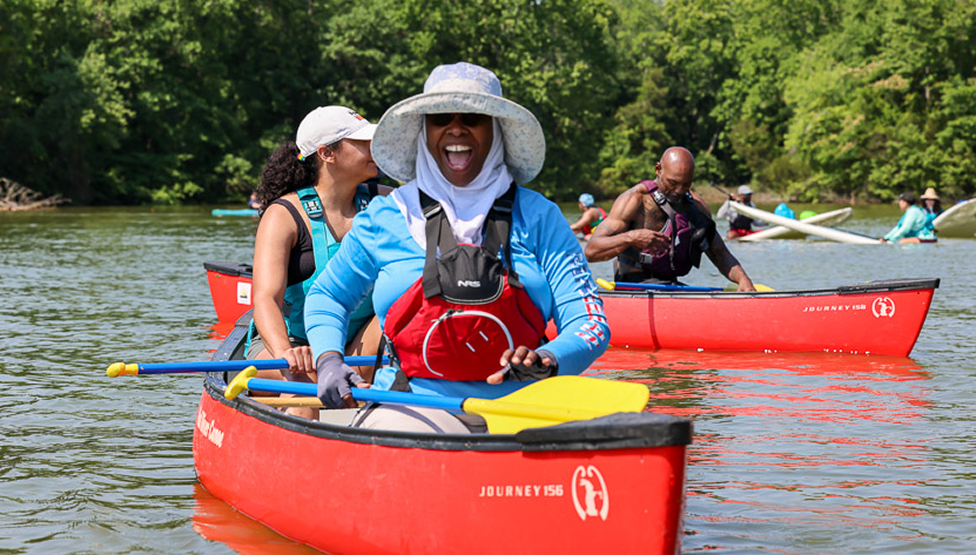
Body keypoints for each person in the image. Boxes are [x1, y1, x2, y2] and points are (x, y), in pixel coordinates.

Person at [304, 62, 610, 433]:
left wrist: (549, 357)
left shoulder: (540, 216)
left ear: (496, 130)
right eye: (440, 117)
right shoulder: (385, 215)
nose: (456, 128)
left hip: (526, 406)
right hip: (412, 406)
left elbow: (589, 322)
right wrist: (329, 360)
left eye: (473, 117)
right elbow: (327, 296)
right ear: (425, 131)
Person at [247, 105, 389, 416]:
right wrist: (287, 354)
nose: (374, 149)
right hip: (294, 349)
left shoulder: (389, 202)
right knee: (305, 390)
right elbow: (266, 299)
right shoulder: (283, 215)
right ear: (327, 154)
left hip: (360, 346)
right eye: (363, 142)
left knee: (396, 309)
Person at [584, 147, 756, 291]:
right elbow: (591, 251)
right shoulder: (634, 200)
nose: (679, 191)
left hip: (673, 289)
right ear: (658, 169)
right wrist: (632, 237)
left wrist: (743, 279)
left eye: (686, 184)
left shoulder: (696, 206)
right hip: (633, 288)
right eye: (673, 183)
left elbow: (719, 253)